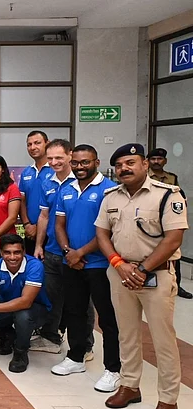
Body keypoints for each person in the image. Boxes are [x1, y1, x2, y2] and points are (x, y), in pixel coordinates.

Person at [96, 143, 188, 409]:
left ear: (145, 164)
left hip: (156, 275)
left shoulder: (167, 195)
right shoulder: (111, 196)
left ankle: (168, 400)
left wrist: (143, 269)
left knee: (163, 340)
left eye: (130, 162)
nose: (125, 168)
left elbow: (173, 238)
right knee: (127, 334)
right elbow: (102, 232)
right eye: (120, 164)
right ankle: (130, 385)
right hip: (121, 272)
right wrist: (118, 263)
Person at [50, 144, 121, 393]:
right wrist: (69, 252)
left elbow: (108, 230)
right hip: (72, 262)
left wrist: (81, 253)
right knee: (74, 312)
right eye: (76, 163)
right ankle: (76, 357)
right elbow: (59, 224)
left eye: (85, 162)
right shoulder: (66, 189)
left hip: (100, 264)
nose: (80, 167)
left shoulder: (109, 190)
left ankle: (113, 369)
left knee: (107, 317)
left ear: (96, 162)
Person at [0, 234, 50, 373]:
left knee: (22, 316)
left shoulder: (34, 266)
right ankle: (8, 336)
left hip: (36, 307)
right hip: (7, 304)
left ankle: (20, 353)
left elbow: (25, 301)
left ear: (24, 252)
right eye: (7, 252)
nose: (12, 257)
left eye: (17, 252)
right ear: (1, 253)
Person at [32, 139, 76, 354]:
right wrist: (39, 245)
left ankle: (84, 346)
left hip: (78, 253)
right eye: (50, 158)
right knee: (51, 295)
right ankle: (50, 337)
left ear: (70, 155)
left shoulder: (80, 181)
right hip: (51, 250)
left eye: (59, 157)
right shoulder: (47, 181)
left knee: (79, 301)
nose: (54, 162)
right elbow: (43, 215)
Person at [148, 148, 191, 299]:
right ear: (147, 161)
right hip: (149, 220)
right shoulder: (144, 177)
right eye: (153, 159)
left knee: (172, 253)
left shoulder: (172, 178)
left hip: (167, 220)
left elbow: (178, 196)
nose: (156, 162)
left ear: (165, 161)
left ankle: (176, 285)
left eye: (159, 159)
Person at [18, 131, 54, 255]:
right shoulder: (26, 172)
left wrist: (39, 228)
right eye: (29, 144)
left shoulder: (56, 170)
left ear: (47, 144)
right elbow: (22, 200)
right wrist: (27, 224)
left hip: (52, 233)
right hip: (30, 233)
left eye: (37, 143)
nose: (33, 147)